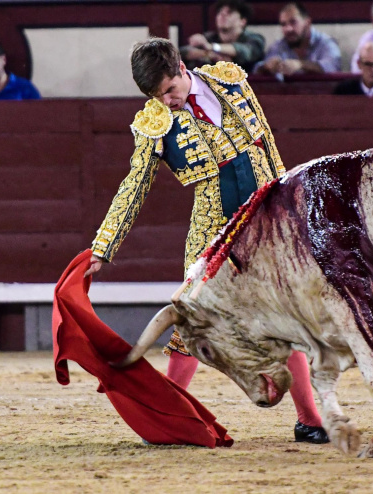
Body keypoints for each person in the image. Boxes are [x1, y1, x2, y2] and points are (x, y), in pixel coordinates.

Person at [86, 37, 328, 444]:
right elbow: (134, 188)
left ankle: (310, 420)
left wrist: (290, 208)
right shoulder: (155, 123)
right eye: (156, 96)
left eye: (169, 91)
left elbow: (267, 144)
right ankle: (169, 419)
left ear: (182, 69)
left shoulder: (230, 81)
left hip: (266, 222)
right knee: (191, 324)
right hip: (211, 234)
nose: (167, 102)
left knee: (287, 319)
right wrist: (102, 247)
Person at [254, 2, 341, 76]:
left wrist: (301, 65)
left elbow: (332, 66)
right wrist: (267, 67)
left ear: (307, 23)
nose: (288, 29)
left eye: (293, 22)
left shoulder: (326, 43)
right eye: (283, 24)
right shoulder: (279, 46)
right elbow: (257, 69)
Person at [180, 0, 265, 74]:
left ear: (242, 21)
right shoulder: (209, 37)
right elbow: (183, 52)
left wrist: (211, 47)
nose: (223, 15)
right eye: (220, 12)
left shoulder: (255, 39)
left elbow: (244, 52)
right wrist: (209, 54)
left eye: (229, 12)